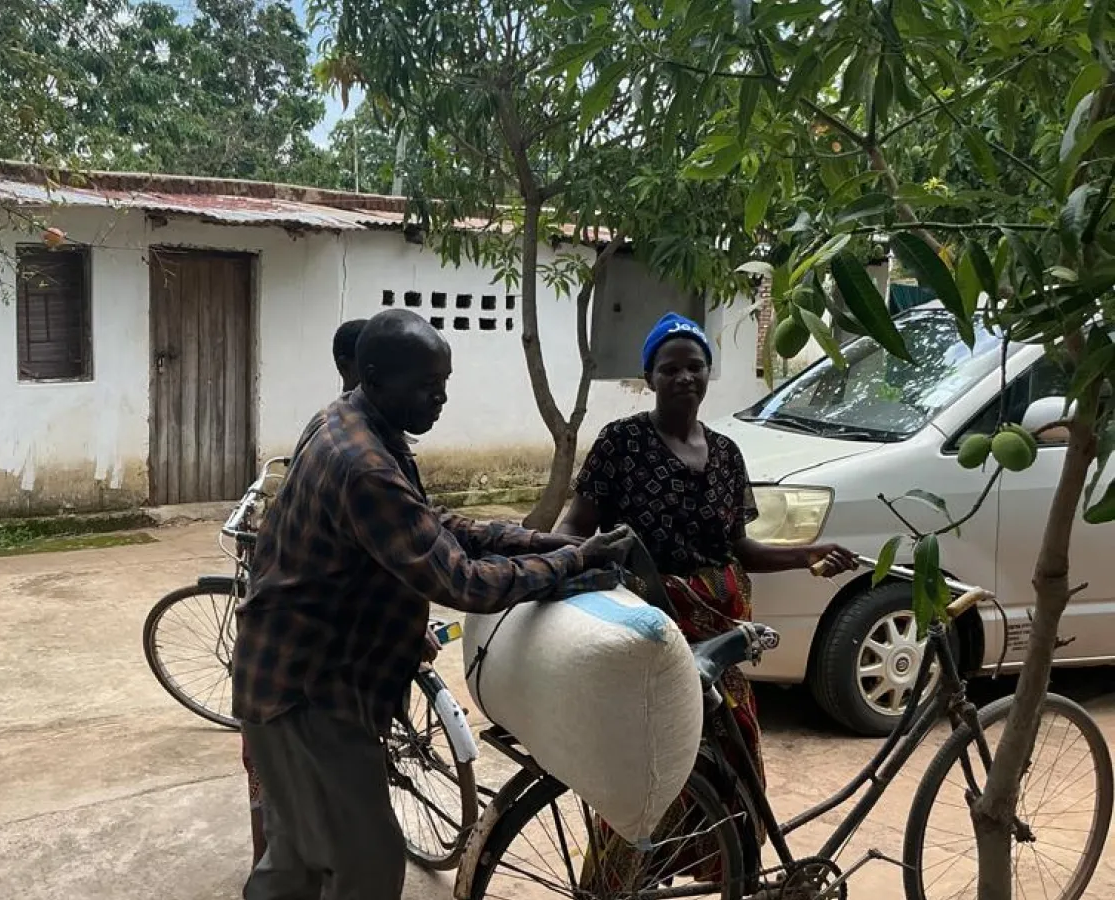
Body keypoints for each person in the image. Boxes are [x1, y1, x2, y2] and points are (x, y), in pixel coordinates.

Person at [232, 308, 634, 900]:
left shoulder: (347, 421)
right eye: (427, 387)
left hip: (286, 675)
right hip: (311, 695)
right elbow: (462, 582)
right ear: (374, 374)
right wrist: (573, 562)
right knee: (366, 866)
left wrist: (549, 541)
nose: (440, 399)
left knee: (295, 857)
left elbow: (429, 526)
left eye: (444, 384)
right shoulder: (362, 464)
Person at [558, 311, 856, 885]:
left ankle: (720, 874)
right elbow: (576, 526)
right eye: (669, 368)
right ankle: (617, 884)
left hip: (724, 639)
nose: (684, 377)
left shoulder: (725, 454)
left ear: (708, 374)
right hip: (653, 631)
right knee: (654, 766)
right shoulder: (621, 443)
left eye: (695, 366)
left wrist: (807, 553)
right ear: (649, 377)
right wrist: (554, 570)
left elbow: (739, 547)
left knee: (732, 764)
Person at [243, 315, 372, 869]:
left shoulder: (333, 426)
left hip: (297, 656)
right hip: (294, 666)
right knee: (278, 790)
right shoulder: (348, 446)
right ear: (357, 369)